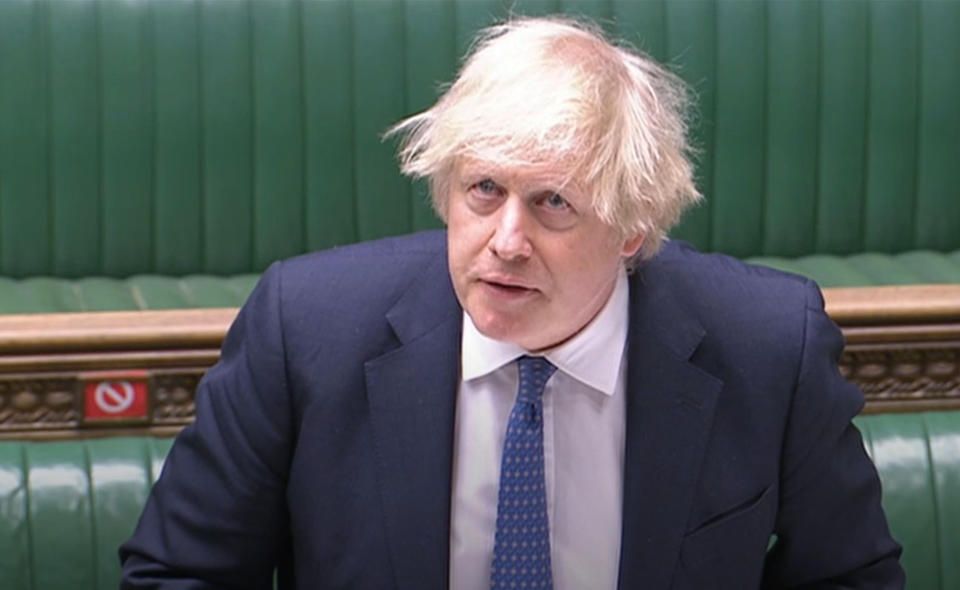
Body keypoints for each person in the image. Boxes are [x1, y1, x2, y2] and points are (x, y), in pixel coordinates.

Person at [120, 16, 904, 590]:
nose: (504, 240)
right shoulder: (306, 327)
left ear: (632, 229)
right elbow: (177, 575)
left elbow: (851, 578)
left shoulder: (770, 346)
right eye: (484, 190)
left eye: (553, 203)